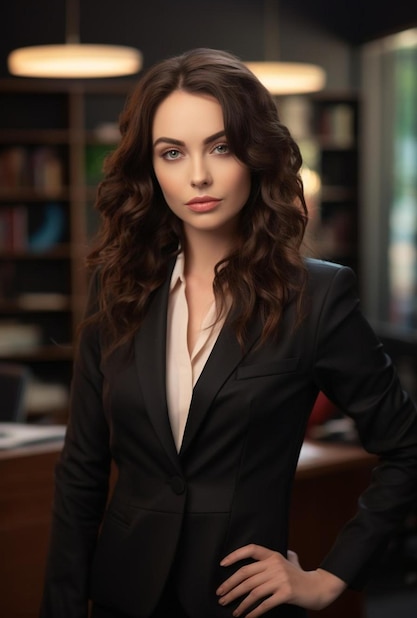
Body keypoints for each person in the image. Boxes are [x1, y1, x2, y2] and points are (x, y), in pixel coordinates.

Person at [40, 47, 417, 618]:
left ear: (256, 154)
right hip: (120, 595)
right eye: (172, 152)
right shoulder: (115, 290)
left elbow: (408, 447)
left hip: (241, 603)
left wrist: (332, 576)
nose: (198, 175)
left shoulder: (316, 298)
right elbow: (82, 470)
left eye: (220, 147)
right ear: (150, 167)